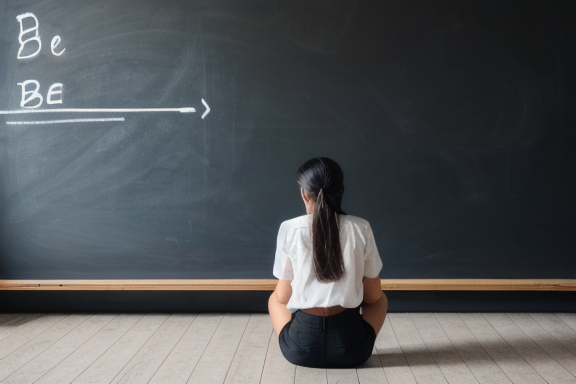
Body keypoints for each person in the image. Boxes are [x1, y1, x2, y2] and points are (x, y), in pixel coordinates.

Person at [268, 157, 388, 368]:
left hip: (300, 350)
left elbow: (282, 297)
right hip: (352, 350)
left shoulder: (290, 229)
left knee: (274, 299)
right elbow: (373, 296)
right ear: (340, 192)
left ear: (305, 193)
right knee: (381, 300)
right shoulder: (361, 228)